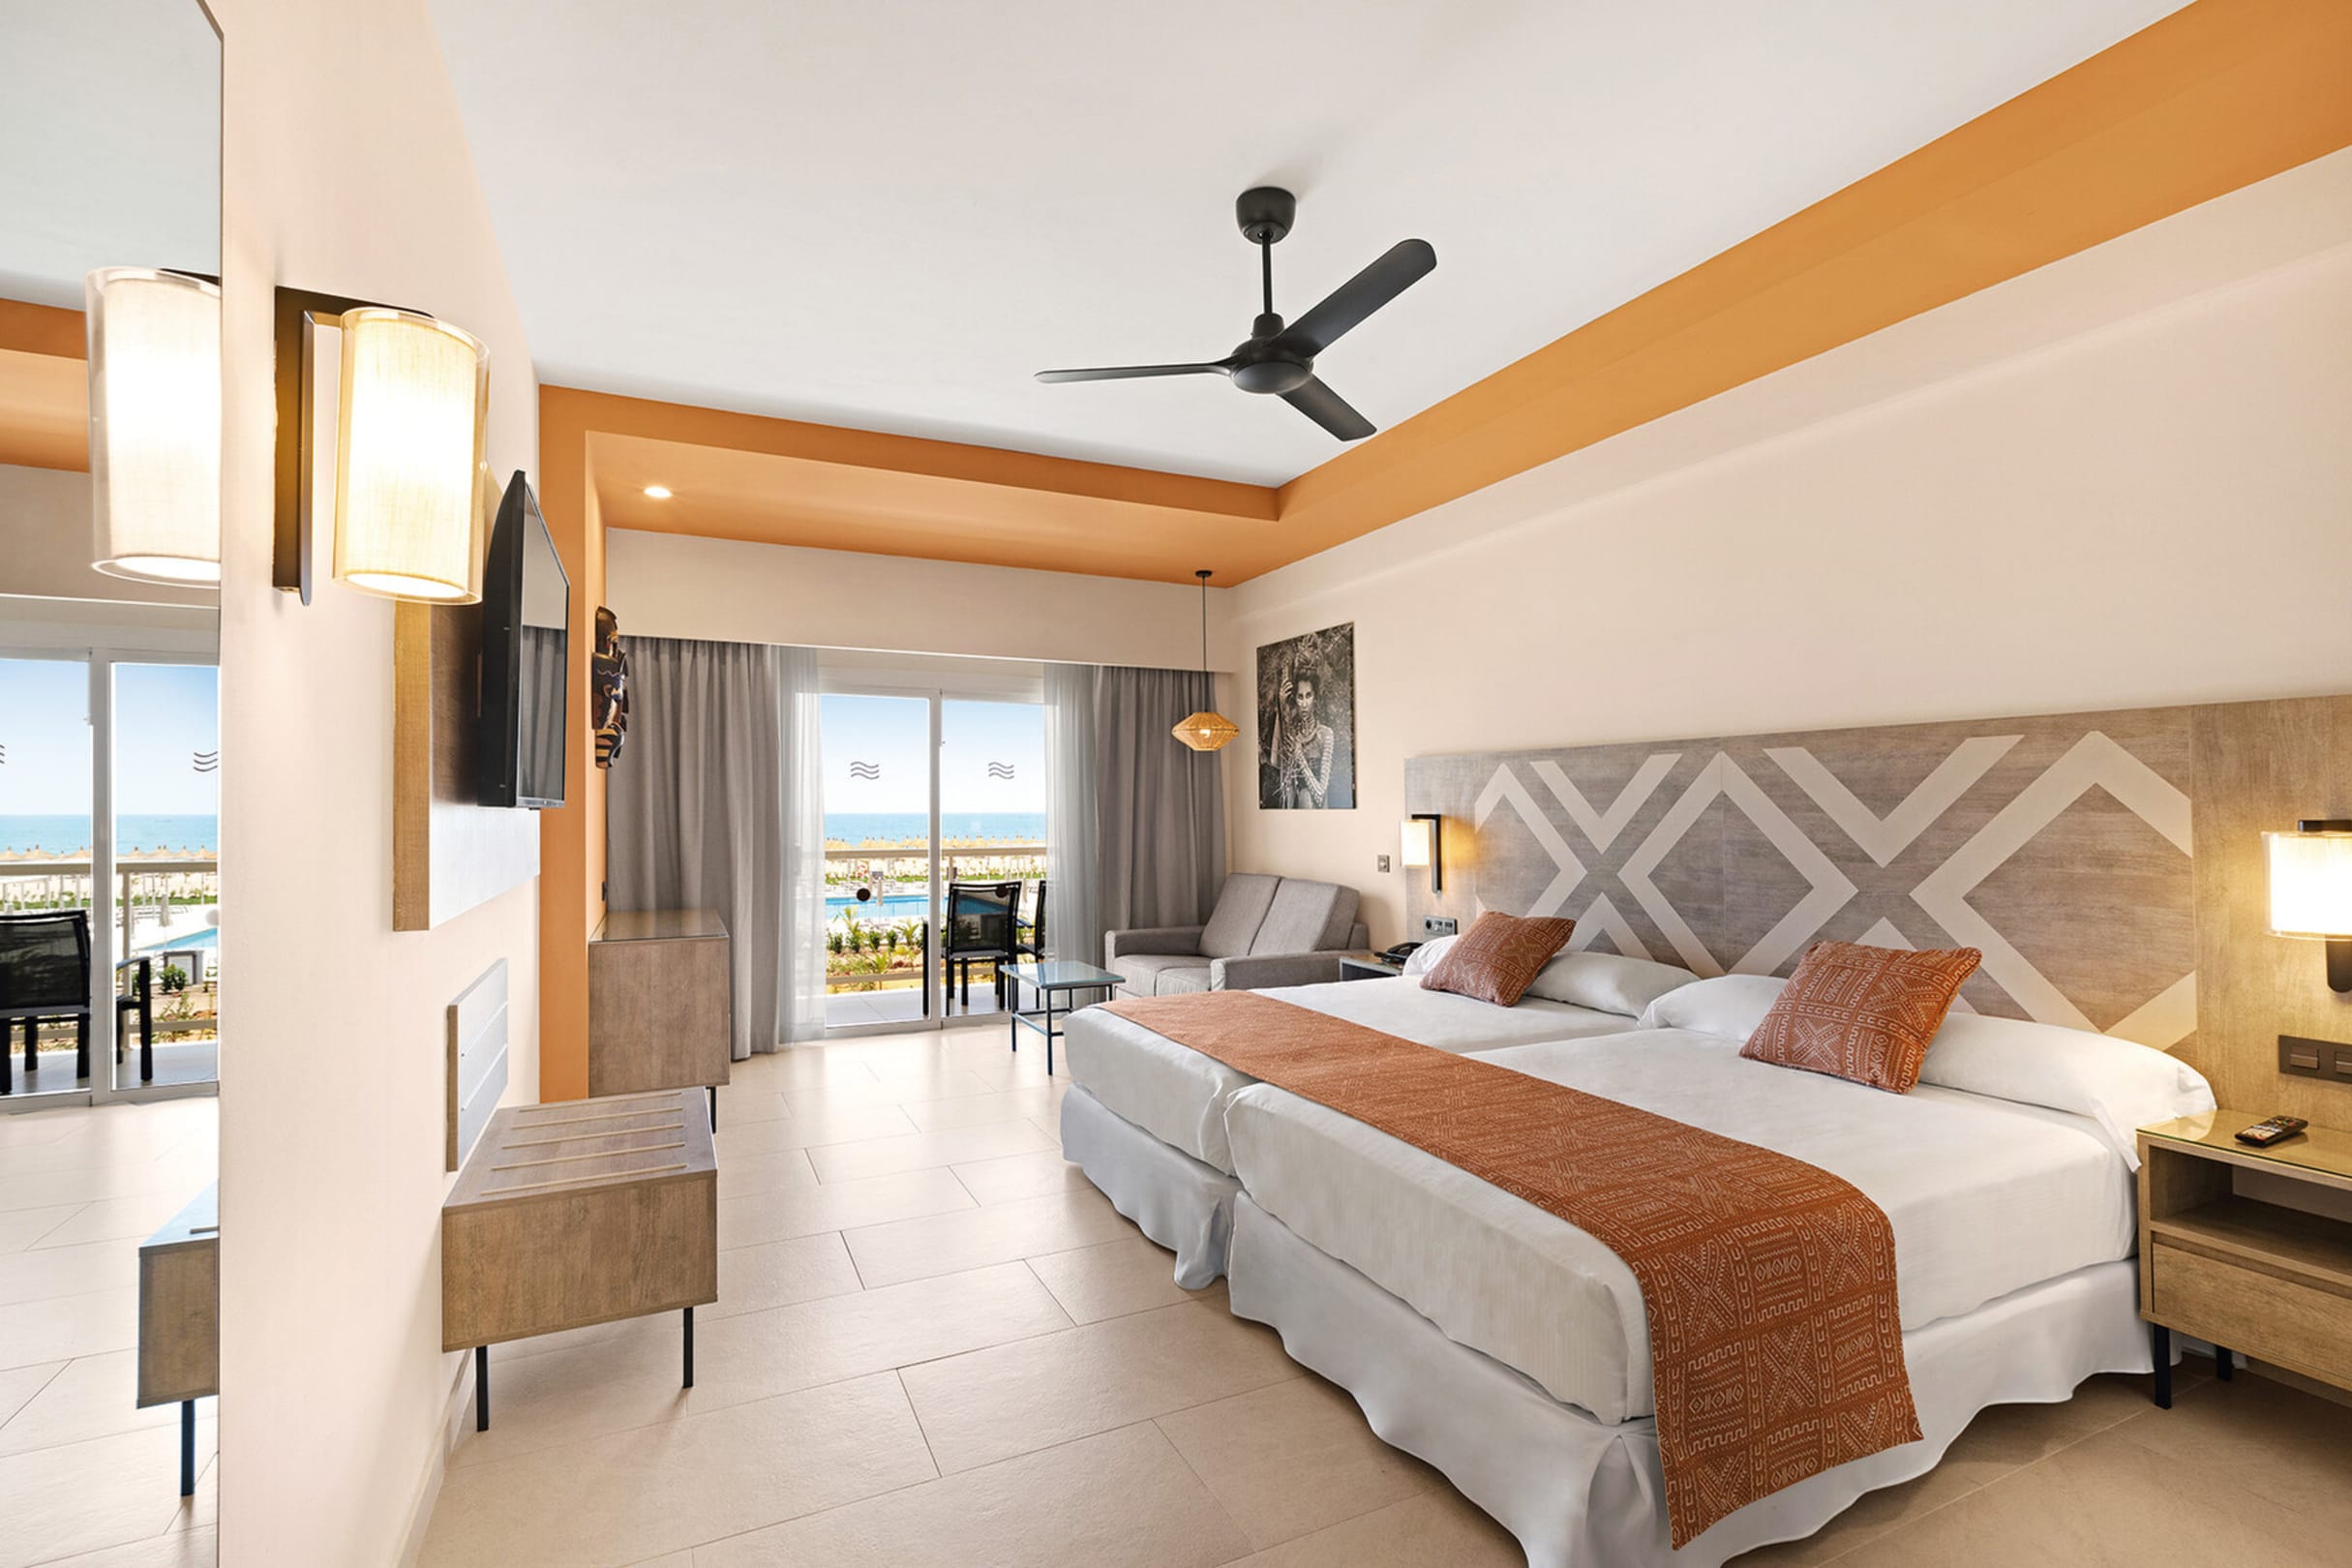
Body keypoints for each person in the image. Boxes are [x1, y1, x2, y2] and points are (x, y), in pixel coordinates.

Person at [1269, 664, 1337, 808]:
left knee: (1306, 795)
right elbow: (1275, 761)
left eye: (1308, 696)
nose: (1304, 704)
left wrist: (1299, 754)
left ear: (1315, 698)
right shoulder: (1293, 734)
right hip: (1295, 810)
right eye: (1300, 697)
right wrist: (1281, 706)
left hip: (1318, 812)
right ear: (1295, 699)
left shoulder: (1326, 734)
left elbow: (1320, 794)